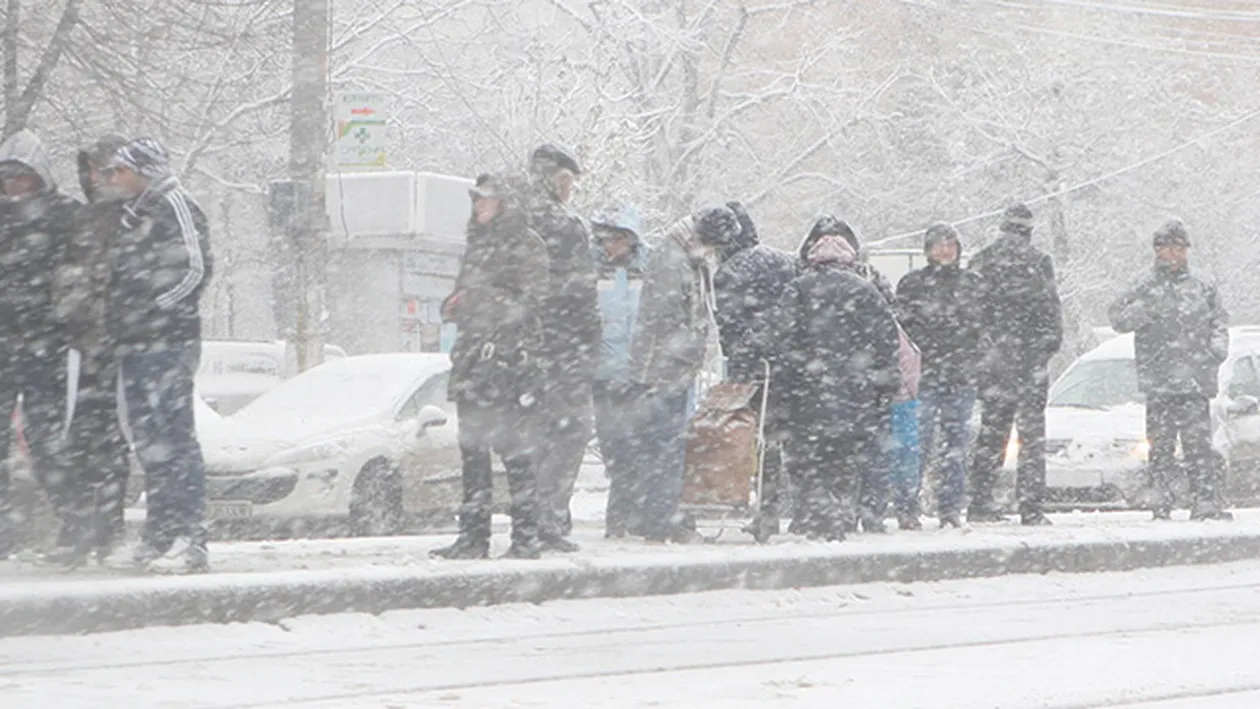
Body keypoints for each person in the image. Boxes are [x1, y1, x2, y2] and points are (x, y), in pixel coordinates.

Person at [105, 138, 214, 571]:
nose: (115, 178)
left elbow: (196, 269)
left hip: (167, 343)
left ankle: (191, 534)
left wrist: (153, 310)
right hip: (137, 343)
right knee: (150, 442)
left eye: (122, 170)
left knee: (176, 439)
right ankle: (161, 531)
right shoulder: (136, 215)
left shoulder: (175, 206)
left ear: (144, 170)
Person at [432, 174, 550, 559]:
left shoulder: (527, 245)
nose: (479, 207)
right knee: (473, 451)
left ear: (506, 204)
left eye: (487, 200)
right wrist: (453, 304)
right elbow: (465, 293)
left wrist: (477, 301)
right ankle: (473, 535)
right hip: (472, 361)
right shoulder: (477, 245)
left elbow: (528, 303)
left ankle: (526, 536)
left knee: (515, 454)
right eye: (476, 200)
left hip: (509, 362)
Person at [769, 228, 901, 541]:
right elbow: (887, 343)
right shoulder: (866, 291)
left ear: (814, 260)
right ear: (849, 261)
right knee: (843, 459)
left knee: (807, 458)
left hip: (807, 393)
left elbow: (780, 340)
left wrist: (783, 386)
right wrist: (884, 386)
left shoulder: (798, 289)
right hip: (854, 394)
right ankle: (840, 515)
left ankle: (814, 515)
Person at [45, 134, 133, 565]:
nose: (98, 178)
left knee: (113, 440)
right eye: (93, 170)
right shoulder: (83, 220)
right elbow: (67, 271)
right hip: (81, 347)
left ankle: (109, 527)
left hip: (117, 347)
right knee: (77, 438)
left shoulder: (133, 217)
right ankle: (78, 526)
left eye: (106, 168)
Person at [626, 205, 736, 543]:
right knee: (665, 449)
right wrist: (693, 350)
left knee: (661, 448)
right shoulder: (674, 261)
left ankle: (654, 517)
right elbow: (667, 319)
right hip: (662, 372)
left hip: (669, 369)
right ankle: (660, 520)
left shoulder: (686, 256)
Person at [1108, 220, 1231, 521]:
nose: (1174, 255)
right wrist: (1141, 313)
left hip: (1195, 380)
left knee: (1198, 447)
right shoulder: (1144, 285)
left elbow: (1220, 320)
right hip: (1159, 381)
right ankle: (1160, 501)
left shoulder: (1202, 285)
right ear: (1157, 251)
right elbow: (1117, 318)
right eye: (1168, 249)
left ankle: (1204, 503)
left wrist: (1216, 350)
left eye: (1180, 248)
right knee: (1160, 447)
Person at [0, 129, 79, 559]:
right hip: (5, 341)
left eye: (21, 175)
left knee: (47, 433)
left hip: (48, 343)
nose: (14, 184)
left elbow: (84, 270)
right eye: (7, 176)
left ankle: (72, 519)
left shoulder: (64, 215)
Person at [523, 144, 600, 552]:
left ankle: (529, 518)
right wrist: (588, 344)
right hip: (562, 347)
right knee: (570, 432)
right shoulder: (565, 225)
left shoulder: (510, 217)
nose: (571, 190)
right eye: (569, 181)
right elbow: (579, 294)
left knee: (534, 434)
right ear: (556, 179)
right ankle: (549, 518)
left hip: (521, 348)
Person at [967, 203, 1062, 526]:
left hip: (996, 365)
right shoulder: (1038, 263)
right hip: (1028, 364)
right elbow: (1051, 315)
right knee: (1031, 440)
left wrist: (984, 354)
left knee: (992, 435)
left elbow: (971, 317)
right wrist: (1042, 353)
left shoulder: (983, 262)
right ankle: (1031, 507)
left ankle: (980, 501)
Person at [712, 201, 796, 538]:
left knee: (755, 438)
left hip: (753, 368)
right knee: (781, 438)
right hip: (789, 366)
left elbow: (728, 326)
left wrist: (739, 360)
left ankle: (763, 507)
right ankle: (779, 508)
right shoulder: (783, 261)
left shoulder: (730, 272)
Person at [896, 222, 984, 529]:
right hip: (925, 376)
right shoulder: (912, 284)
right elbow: (904, 328)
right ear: (928, 250)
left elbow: (982, 328)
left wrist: (974, 358)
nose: (945, 250)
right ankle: (907, 506)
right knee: (916, 444)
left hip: (960, 376)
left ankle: (950, 509)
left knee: (955, 445)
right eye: (939, 244)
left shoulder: (972, 283)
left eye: (950, 244)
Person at [588, 204, 648, 538]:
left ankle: (625, 517)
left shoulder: (648, 270)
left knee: (635, 449)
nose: (607, 245)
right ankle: (622, 515)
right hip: (605, 378)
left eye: (613, 238)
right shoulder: (593, 272)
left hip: (639, 377)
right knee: (615, 450)